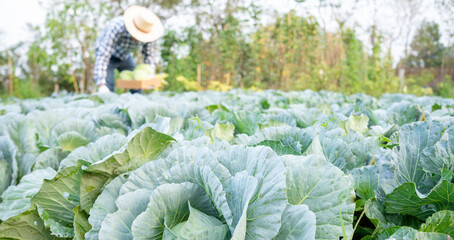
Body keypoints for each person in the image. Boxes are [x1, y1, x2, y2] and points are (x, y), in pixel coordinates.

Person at [94, 6, 164, 93]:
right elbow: (103, 55)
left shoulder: (149, 33)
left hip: (125, 56)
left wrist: (150, 75)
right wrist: (101, 84)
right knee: (108, 87)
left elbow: (148, 56)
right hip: (109, 55)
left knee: (136, 85)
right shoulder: (117, 27)